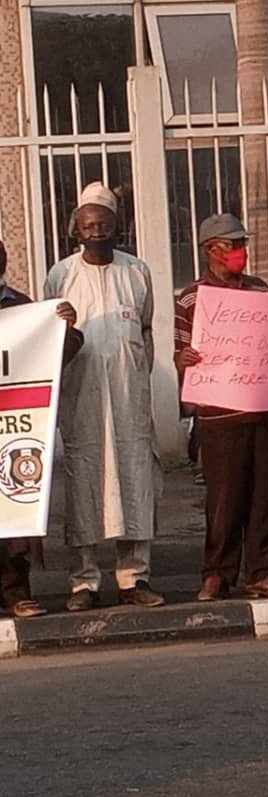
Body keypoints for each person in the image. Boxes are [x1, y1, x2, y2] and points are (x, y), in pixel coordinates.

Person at [44, 182, 165, 611]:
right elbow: (48, 339)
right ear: (76, 230)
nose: (97, 232)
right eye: (88, 225)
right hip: (83, 402)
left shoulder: (137, 272)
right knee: (84, 485)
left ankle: (135, 578)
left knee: (135, 480)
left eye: (105, 224)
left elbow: (146, 330)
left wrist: (136, 374)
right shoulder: (61, 275)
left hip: (130, 399)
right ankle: (84, 582)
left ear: (119, 228)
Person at [174, 214, 268, 601]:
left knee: (263, 498)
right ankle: (217, 573)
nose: (241, 252)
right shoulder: (191, 297)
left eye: (243, 243)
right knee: (223, 500)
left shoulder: (261, 290)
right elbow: (179, 350)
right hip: (218, 414)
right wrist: (185, 359)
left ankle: (262, 571)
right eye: (234, 244)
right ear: (212, 249)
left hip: (262, 409)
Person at [0, 240, 82, 618]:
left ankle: (17, 593)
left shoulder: (22, 308)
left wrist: (63, 328)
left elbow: (51, 355)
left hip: (14, 428)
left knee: (16, 509)